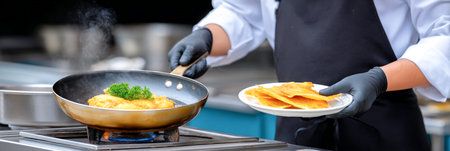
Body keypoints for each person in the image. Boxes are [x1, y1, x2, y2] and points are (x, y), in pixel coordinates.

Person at [168, 0, 450, 150]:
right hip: (296, 134)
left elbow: (445, 33)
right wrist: (207, 37)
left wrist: (379, 80)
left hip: (384, 134)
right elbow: (244, 13)